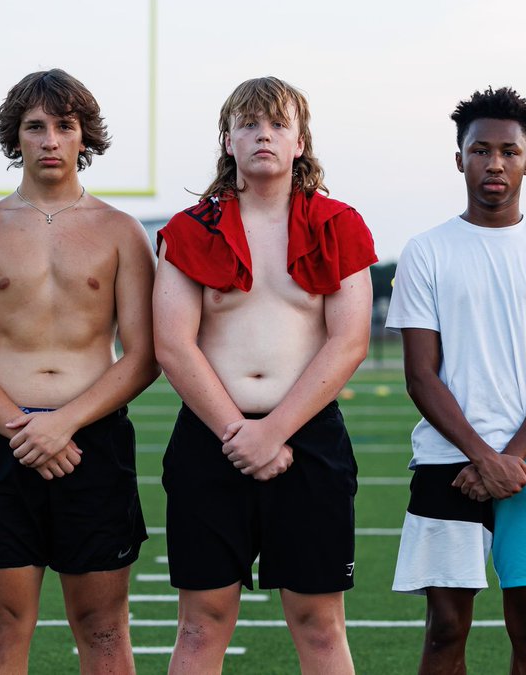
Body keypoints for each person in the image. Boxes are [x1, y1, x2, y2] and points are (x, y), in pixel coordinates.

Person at [0, 68, 159, 673]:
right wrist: (22, 428)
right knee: (0, 624)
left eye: (65, 125)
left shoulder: (121, 231)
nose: (50, 139)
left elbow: (144, 354)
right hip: (2, 443)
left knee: (104, 628)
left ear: (85, 137)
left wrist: (64, 424)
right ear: (16, 138)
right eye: (36, 126)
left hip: (94, 443)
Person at [153, 76, 377, 674]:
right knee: (201, 623)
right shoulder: (189, 229)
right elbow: (173, 345)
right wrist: (238, 431)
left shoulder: (339, 224)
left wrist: (273, 431)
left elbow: (350, 341)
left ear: (301, 141)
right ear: (227, 140)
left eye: (278, 125)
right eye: (248, 124)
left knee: (321, 625)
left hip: (307, 439)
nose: (263, 136)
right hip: (211, 436)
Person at [385, 86, 526, 675]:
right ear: (460, 159)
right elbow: (420, 375)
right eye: (481, 150)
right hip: (446, 461)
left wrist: (509, 459)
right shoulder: (426, 251)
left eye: (509, 150)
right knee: (445, 630)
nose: (495, 163)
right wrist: (484, 457)